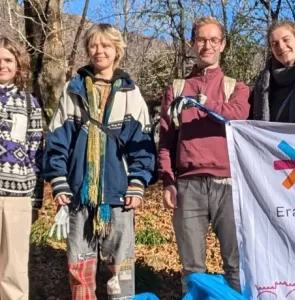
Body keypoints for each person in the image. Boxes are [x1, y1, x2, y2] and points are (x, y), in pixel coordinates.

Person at [43, 24, 156, 299]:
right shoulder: (75, 89)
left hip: (119, 195)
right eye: (94, 45)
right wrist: (59, 181)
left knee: (121, 270)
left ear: (117, 50)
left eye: (106, 45)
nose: (99, 51)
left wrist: (137, 182)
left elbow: (142, 145)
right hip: (78, 194)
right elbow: (58, 139)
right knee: (79, 269)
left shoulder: (131, 93)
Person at [158, 16, 250, 294]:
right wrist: (168, 181)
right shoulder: (175, 90)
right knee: (191, 268)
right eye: (201, 39)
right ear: (192, 43)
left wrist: (206, 103)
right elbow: (166, 140)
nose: (207, 45)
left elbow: (239, 115)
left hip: (229, 185)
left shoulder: (237, 88)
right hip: (187, 186)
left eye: (213, 40)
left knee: (236, 265)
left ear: (222, 45)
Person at [0, 36, 43, 300]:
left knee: (13, 272)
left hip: (17, 199)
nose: (2, 65)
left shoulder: (30, 105)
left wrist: (36, 200)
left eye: (7, 60)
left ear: (18, 65)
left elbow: (36, 154)